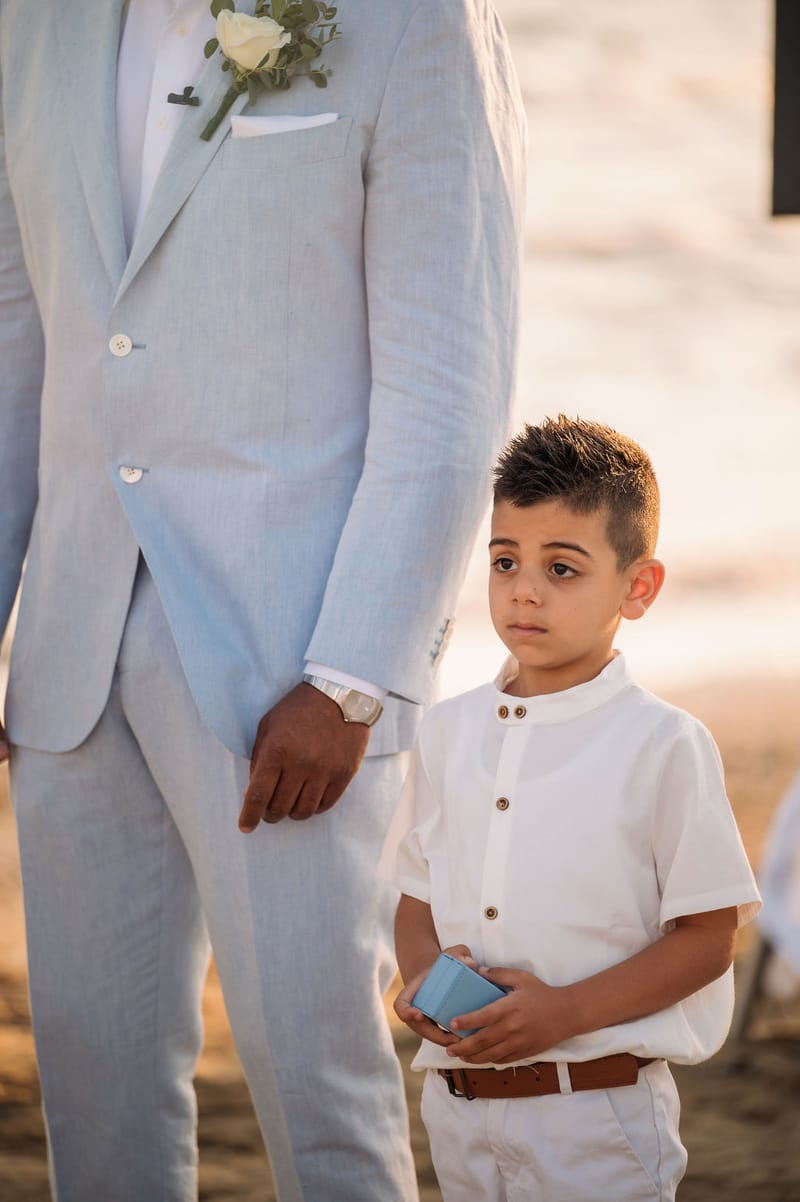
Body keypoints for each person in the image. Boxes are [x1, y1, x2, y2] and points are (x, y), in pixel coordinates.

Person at [0, 2, 526, 1200]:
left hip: (292, 665)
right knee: (94, 1096)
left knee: (319, 1088)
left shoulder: (413, 23)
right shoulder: (31, 23)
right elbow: (12, 345)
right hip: (69, 652)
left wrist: (353, 674)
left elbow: (450, 380)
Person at [389, 415, 761, 1202]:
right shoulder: (447, 733)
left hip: (595, 1114)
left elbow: (707, 937)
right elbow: (417, 898)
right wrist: (424, 982)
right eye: (504, 560)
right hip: (459, 1113)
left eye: (562, 569)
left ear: (638, 587)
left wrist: (566, 1011)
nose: (523, 589)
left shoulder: (664, 744)